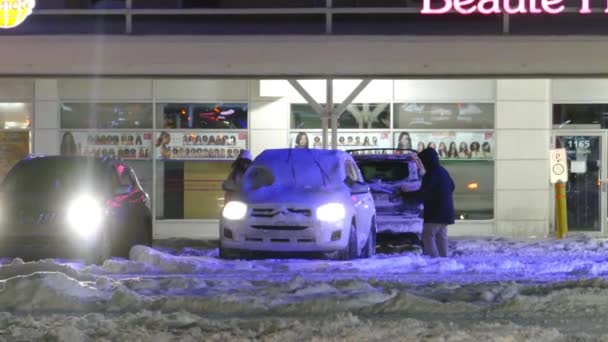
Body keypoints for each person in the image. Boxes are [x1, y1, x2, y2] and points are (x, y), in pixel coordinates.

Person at [416, 147, 455, 258]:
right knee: (441, 236)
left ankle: (434, 260)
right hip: (446, 211)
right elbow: (452, 186)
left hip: (435, 213)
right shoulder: (442, 171)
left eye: (423, 161)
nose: (422, 164)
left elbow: (425, 192)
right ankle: (444, 260)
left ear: (427, 160)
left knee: (427, 235)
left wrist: (406, 195)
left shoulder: (431, 174)